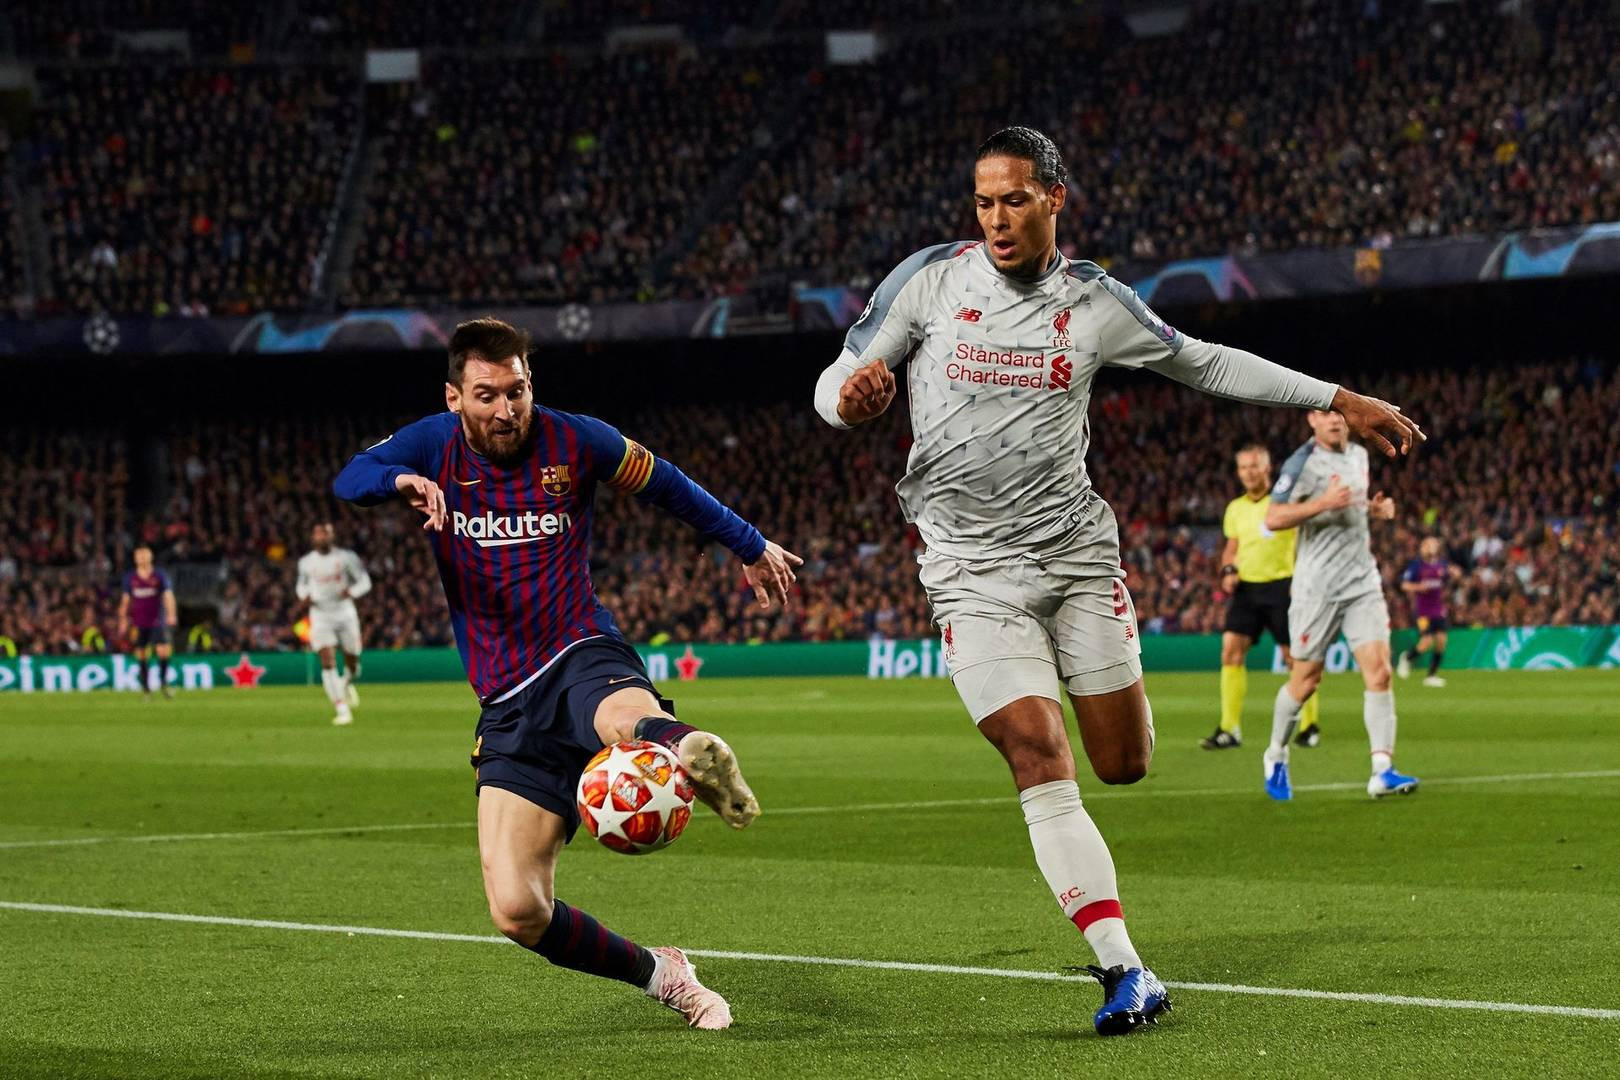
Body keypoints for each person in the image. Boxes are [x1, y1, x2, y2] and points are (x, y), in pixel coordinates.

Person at [812, 126, 1422, 1035]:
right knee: (1037, 754)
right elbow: (834, 380)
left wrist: (1335, 398)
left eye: (1014, 198)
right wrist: (847, 400)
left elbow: (1208, 360)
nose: (996, 219)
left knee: (1123, 763)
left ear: (1055, 197)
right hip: (969, 567)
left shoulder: (1094, 303)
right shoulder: (931, 280)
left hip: (1075, 557)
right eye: (983, 202)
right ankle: (1124, 969)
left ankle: (1118, 922)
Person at [334, 317, 801, 1030]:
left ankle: (679, 743)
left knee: (618, 721)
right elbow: (350, 476)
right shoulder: (430, 443)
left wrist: (747, 543)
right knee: (518, 910)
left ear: (532, 384)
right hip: (508, 704)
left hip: (580, 648)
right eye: (487, 395)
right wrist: (400, 480)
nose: (506, 409)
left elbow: (669, 485)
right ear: (455, 396)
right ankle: (663, 974)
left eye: (517, 390)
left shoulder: (578, 438)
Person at [1261, 410, 1420, 801]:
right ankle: (1276, 754)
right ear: (1311, 420)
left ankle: (1382, 769)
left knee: (1380, 673)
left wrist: (1375, 510)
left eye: (1338, 413)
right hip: (1317, 589)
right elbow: (1273, 517)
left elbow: (1352, 504)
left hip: (1362, 582)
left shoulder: (1359, 456)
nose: (1334, 420)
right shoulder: (1301, 463)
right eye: (1324, 414)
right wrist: (1322, 503)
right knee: (1306, 680)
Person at [1203, 444, 1320, 750]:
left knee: (1295, 657)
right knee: (1230, 650)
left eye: (1255, 466)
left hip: (1284, 586)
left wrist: (1305, 577)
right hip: (1247, 589)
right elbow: (1232, 547)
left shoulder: (1285, 502)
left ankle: (1308, 725)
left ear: (1268, 468)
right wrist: (1228, 569)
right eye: (1243, 467)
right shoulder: (1235, 508)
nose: (1249, 472)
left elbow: (1306, 539)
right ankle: (1229, 729)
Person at [296, 521, 372, 725]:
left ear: (332, 536)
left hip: (345, 612)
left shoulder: (346, 558)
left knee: (353, 663)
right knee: (327, 660)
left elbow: (364, 581)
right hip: (320, 615)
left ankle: (345, 683)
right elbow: (301, 585)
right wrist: (305, 596)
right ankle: (342, 708)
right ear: (313, 537)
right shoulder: (306, 562)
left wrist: (353, 592)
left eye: (325, 533)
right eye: (318, 533)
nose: (322, 537)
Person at [1398, 536, 1461, 687]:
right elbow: (1404, 585)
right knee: (1426, 642)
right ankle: (1407, 658)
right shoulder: (1417, 566)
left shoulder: (1441, 565)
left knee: (1441, 642)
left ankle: (1431, 676)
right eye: (1427, 544)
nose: (1430, 547)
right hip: (1423, 611)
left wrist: (1455, 575)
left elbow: (1450, 577)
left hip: (1438, 610)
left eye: (1433, 544)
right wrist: (1419, 587)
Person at [117, 545, 177, 699]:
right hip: (139, 622)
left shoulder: (159, 575)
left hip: (158, 620)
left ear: (150, 557)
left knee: (163, 651)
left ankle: (164, 684)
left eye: (145, 555)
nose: (142, 558)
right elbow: (125, 600)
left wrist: (171, 614)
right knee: (141, 654)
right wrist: (123, 619)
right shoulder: (130, 578)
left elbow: (168, 596)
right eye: (139, 556)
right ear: (135, 559)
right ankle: (146, 689)